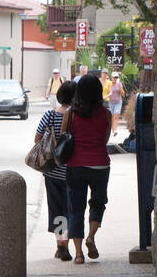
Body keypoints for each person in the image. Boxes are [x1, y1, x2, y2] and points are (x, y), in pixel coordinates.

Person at [64, 73, 111, 265]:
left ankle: (78, 254)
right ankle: (91, 237)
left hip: (75, 165)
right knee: (98, 203)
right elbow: (105, 140)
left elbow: (63, 138)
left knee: (76, 209)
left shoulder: (71, 113)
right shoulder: (106, 114)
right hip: (100, 164)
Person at [35, 80, 76, 262]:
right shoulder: (76, 117)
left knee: (57, 209)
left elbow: (37, 139)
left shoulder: (49, 115)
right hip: (72, 169)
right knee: (71, 208)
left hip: (52, 170)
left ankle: (60, 244)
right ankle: (66, 245)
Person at [107, 70, 125, 137]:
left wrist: (119, 87)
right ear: (111, 77)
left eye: (116, 77)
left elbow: (123, 94)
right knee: (111, 117)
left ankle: (115, 131)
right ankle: (113, 130)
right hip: (111, 102)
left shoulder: (119, 84)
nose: (115, 78)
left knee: (116, 116)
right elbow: (107, 92)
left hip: (118, 102)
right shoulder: (109, 84)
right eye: (114, 77)